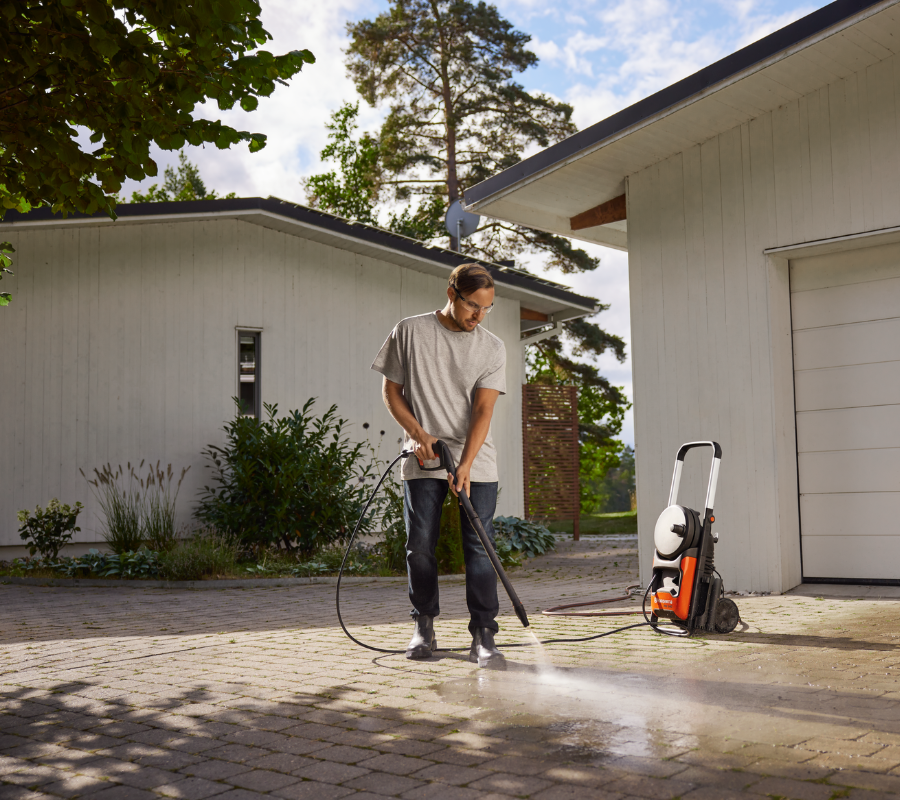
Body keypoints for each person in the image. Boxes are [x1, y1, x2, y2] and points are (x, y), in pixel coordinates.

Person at [371, 263, 507, 668]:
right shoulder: (410, 331)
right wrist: (416, 433)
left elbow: (483, 411)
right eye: (472, 306)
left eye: (487, 308)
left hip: (475, 458)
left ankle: (484, 634)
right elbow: (391, 390)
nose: (478, 316)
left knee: (480, 549)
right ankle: (423, 625)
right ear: (452, 294)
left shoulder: (492, 347)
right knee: (420, 547)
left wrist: (465, 464)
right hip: (423, 454)